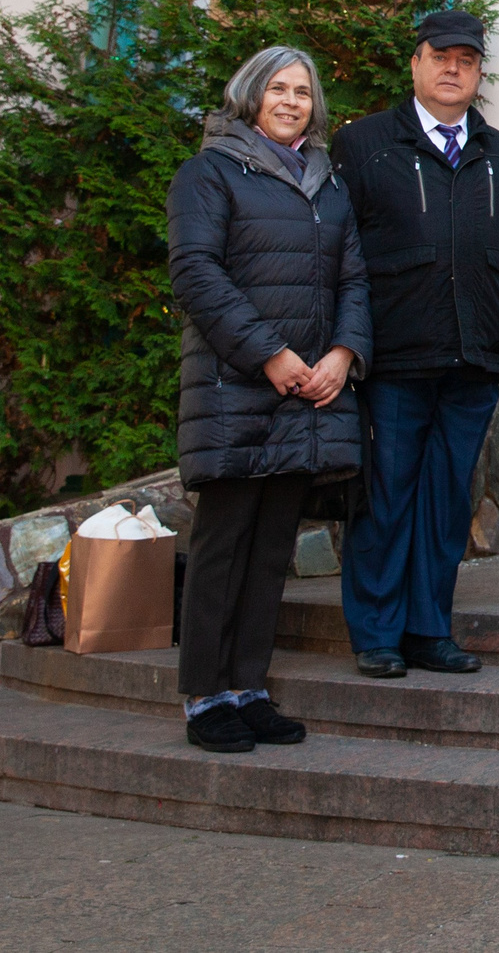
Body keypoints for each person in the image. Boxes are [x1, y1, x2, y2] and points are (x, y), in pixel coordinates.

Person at [331, 10, 499, 679]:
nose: (453, 68)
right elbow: (336, 248)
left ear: (479, 71)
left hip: (473, 362)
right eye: (441, 55)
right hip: (395, 359)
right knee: (387, 496)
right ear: (416, 63)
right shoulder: (363, 146)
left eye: (467, 58)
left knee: (447, 499)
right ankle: (376, 633)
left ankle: (429, 629)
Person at [165, 46, 370, 752]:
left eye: (303, 92)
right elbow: (196, 274)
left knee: (271, 548)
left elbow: (354, 280)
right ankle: (204, 695)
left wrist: (342, 355)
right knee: (223, 546)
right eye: (278, 88)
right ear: (250, 94)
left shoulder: (328, 184)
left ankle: (248, 686)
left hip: (308, 393)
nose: (291, 101)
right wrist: (272, 356)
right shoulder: (209, 172)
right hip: (235, 388)